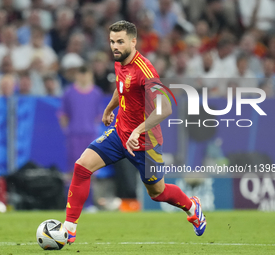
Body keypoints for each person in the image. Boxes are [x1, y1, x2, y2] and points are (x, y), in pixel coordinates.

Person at [63, 20, 207, 244]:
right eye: (112, 42)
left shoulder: (145, 71)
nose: (115, 46)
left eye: (120, 41)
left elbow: (166, 107)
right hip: (120, 133)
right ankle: (69, 229)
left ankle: (192, 206)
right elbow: (122, 87)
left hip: (144, 142)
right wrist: (110, 108)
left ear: (133, 41)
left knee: (157, 192)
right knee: (82, 167)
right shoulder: (120, 61)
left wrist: (138, 130)